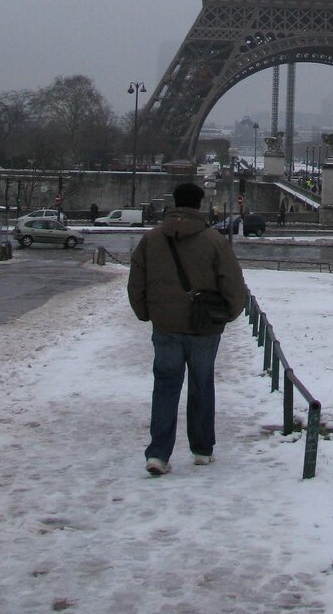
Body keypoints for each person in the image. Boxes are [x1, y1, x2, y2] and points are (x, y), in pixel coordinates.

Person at [127, 181, 247, 476]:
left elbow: (136, 284)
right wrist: (228, 315)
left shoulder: (151, 240)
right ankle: (202, 449)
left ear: (174, 203)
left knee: (165, 387)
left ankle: (158, 453)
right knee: (202, 386)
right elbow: (232, 283)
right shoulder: (215, 241)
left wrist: (146, 313)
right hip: (204, 326)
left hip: (166, 324)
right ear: (199, 205)